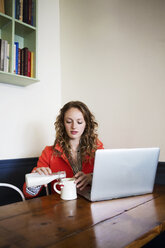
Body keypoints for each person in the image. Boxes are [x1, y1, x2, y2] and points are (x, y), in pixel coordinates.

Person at [23, 101, 104, 198]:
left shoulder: (97, 148)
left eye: (79, 122)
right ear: (62, 124)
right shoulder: (48, 152)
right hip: (61, 206)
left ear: (86, 124)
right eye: (69, 121)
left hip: (91, 205)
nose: (74, 126)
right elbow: (28, 194)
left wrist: (90, 178)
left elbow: (107, 179)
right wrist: (36, 180)